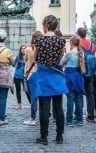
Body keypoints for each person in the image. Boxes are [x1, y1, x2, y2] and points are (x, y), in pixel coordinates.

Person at [29, 15, 68, 145]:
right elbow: (61, 58)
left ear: (46, 25)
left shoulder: (39, 41)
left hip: (44, 75)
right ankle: (59, 136)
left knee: (44, 108)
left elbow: (35, 58)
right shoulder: (61, 41)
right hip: (56, 76)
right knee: (58, 108)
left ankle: (44, 136)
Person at [60, 35, 85, 127]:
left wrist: (65, 65)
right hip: (78, 77)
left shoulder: (69, 53)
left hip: (70, 76)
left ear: (71, 43)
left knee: (70, 99)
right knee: (78, 99)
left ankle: (69, 120)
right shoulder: (81, 52)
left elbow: (61, 63)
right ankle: (80, 120)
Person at [77, 27, 96, 123]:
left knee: (79, 93)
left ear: (78, 34)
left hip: (80, 72)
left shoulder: (77, 44)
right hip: (90, 73)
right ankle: (91, 116)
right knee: (90, 94)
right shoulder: (92, 45)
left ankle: (79, 115)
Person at [23, 31, 42, 126]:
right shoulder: (42, 49)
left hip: (31, 74)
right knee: (41, 96)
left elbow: (26, 61)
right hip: (40, 74)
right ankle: (44, 115)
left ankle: (33, 118)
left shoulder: (28, 49)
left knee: (33, 97)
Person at [12, 44, 27, 110]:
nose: (23, 49)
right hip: (17, 76)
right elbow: (13, 64)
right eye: (22, 48)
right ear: (20, 50)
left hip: (24, 76)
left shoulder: (28, 56)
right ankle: (19, 104)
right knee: (18, 90)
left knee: (27, 90)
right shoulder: (18, 57)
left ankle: (31, 103)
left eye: (24, 48)